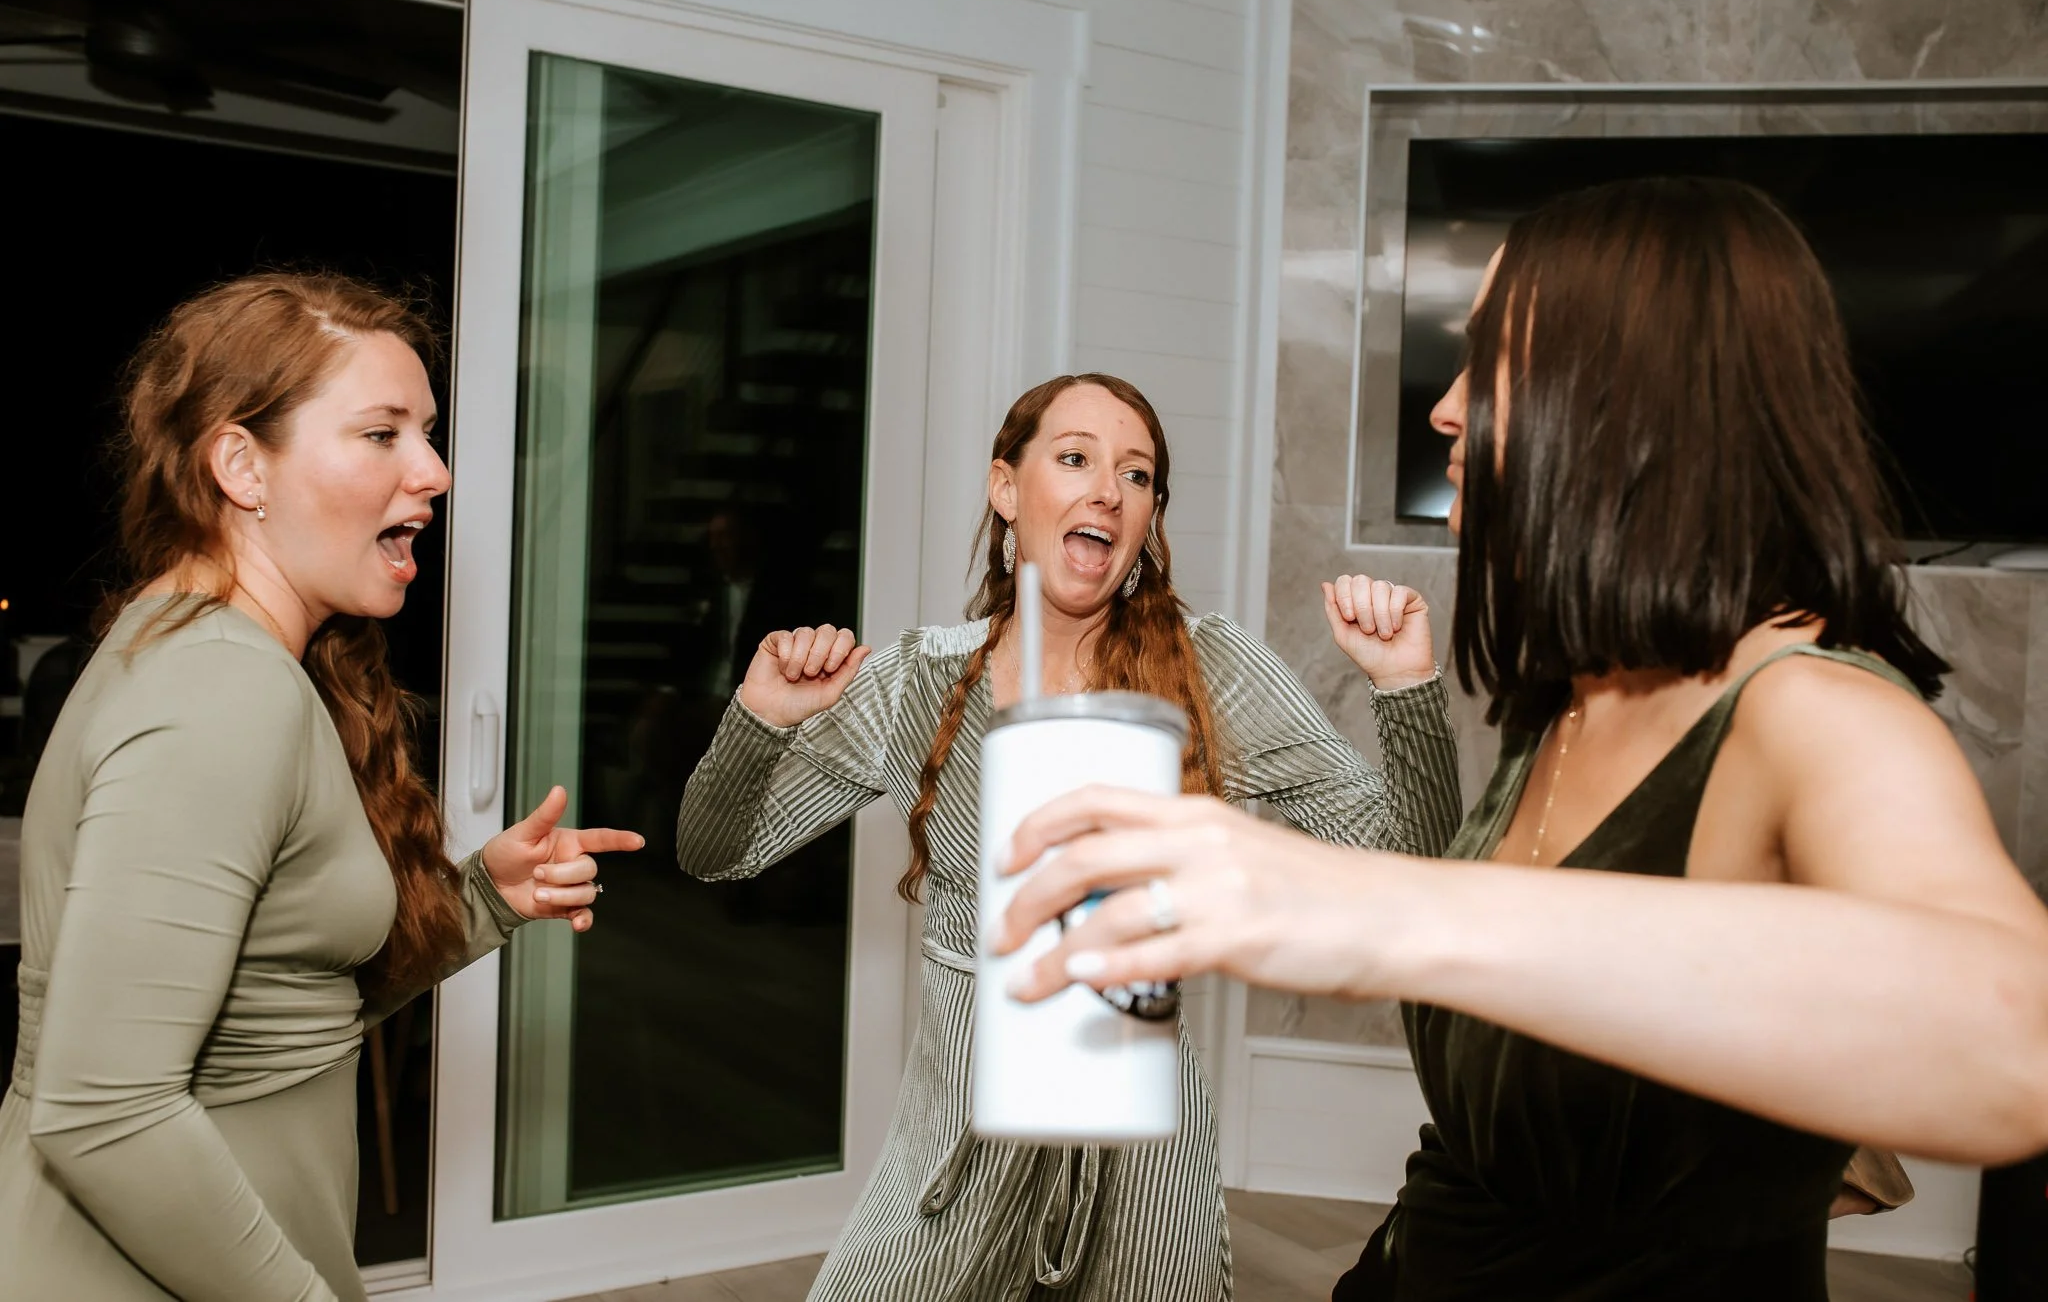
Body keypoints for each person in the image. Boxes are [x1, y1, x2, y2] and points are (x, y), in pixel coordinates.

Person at [995, 178, 2048, 1301]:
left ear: (1628, 398)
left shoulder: (1812, 710)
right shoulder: (1566, 702)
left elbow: (2015, 1046)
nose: (1445, 410)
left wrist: (1377, 911)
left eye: (1489, 357)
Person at [675, 373, 1465, 1301]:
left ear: (1150, 516)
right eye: (1076, 458)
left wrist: (1405, 686)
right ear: (1006, 487)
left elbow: (1417, 871)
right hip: (957, 1153)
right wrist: (761, 716)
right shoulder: (916, 683)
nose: (1108, 491)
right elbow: (713, 849)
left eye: (1137, 475)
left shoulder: (1209, 670)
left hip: (1140, 1164)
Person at [0, 273, 641, 1302]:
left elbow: (279, 1019)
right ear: (241, 465)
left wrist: (484, 896)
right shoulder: (220, 692)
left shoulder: (202, 648)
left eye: (427, 433)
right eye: (382, 434)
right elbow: (105, 1112)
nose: (434, 471)